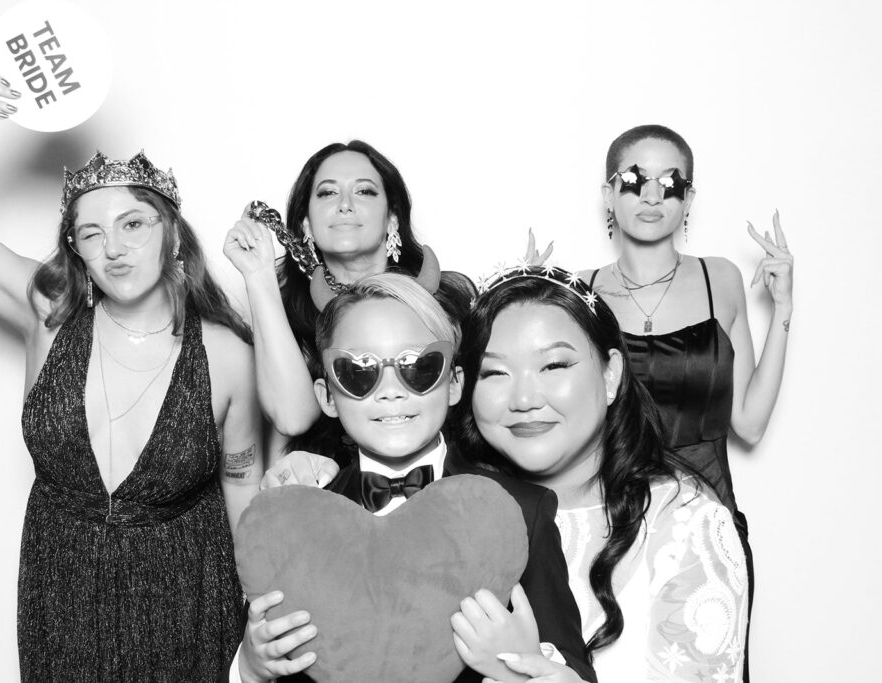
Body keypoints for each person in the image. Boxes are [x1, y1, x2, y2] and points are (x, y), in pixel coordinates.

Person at [0, 65, 262, 681]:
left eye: (134, 224)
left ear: (172, 234)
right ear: (76, 250)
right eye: (91, 234)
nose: (114, 248)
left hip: (187, 602)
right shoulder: (50, 314)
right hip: (60, 595)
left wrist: (261, 606)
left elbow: (242, 482)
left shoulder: (225, 353)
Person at [234, 273, 595, 683]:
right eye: (358, 371)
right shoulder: (297, 521)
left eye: (419, 366)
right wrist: (250, 668)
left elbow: (575, 669)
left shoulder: (521, 511)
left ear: (454, 383)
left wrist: (524, 664)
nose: (391, 391)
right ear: (327, 396)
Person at [450, 265, 749, 682]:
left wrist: (522, 668)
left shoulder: (686, 524)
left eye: (553, 365)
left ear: (611, 375)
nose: (524, 399)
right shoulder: (451, 514)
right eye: (495, 373)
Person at [585, 124, 793, 679]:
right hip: (609, 530)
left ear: (689, 198)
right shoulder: (579, 293)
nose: (652, 195)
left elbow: (749, 423)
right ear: (608, 194)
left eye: (670, 182)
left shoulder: (718, 278)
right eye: (634, 180)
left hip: (708, 521)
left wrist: (783, 310)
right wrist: (522, 303)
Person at [224, 141, 475, 462]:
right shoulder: (286, 314)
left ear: (392, 218)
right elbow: (292, 419)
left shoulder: (450, 301)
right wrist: (258, 275)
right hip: (330, 483)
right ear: (306, 223)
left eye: (365, 191)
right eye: (328, 192)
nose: (345, 204)